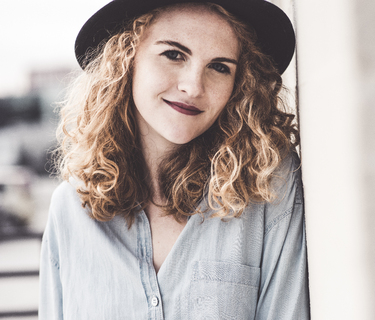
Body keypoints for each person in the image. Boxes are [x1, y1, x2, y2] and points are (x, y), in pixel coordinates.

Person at [39, 0, 309, 319]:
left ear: (239, 85)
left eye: (220, 66)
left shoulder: (268, 185)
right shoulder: (71, 208)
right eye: (174, 54)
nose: (193, 86)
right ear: (126, 57)